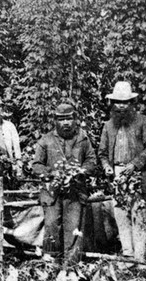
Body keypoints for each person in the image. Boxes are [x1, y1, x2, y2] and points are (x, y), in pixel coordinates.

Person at [31, 103, 97, 267]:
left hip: (75, 192)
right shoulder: (46, 140)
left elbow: (92, 161)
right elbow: (36, 165)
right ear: (55, 121)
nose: (66, 123)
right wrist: (51, 173)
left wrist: (81, 171)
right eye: (61, 119)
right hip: (52, 193)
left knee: (73, 228)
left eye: (69, 118)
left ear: (75, 119)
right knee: (52, 225)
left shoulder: (83, 139)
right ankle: (51, 266)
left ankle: (71, 267)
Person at [97, 81, 146, 260]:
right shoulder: (108, 125)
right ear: (113, 104)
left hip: (138, 173)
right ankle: (127, 253)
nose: (121, 106)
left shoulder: (142, 121)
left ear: (131, 103)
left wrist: (135, 164)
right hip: (117, 172)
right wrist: (107, 167)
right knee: (121, 213)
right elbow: (102, 152)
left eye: (124, 102)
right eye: (117, 102)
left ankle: (139, 256)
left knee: (139, 214)